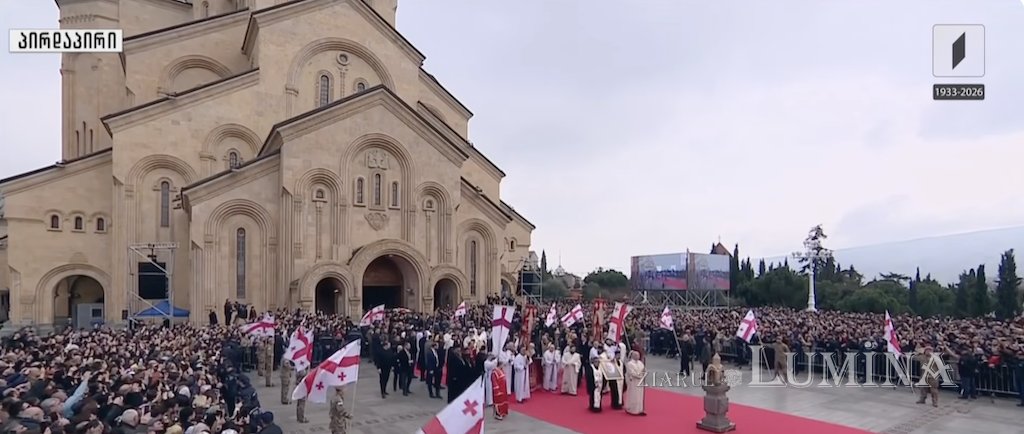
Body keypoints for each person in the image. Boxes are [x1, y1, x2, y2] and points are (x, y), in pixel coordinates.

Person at [625, 351, 647, 416]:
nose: (638, 357)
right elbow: (631, 372)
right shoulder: (630, 364)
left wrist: (643, 374)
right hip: (634, 382)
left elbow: (644, 370)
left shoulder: (640, 363)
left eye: (638, 355)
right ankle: (632, 409)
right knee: (634, 395)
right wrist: (639, 375)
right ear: (633, 356)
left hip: (640, 381)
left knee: (640, 396)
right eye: (636, 355)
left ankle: (640, 409)